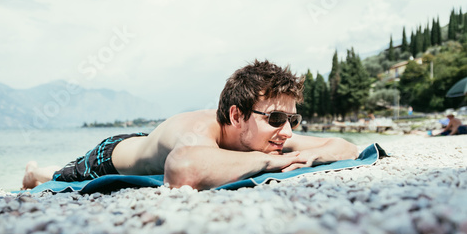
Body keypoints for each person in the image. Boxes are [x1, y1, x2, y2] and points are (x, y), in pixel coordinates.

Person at [23, 60, 359, 191]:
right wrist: (277, 160)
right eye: (275, 119)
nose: (286, 132)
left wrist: (310, 157)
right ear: (237, 115)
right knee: (59, 176)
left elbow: (345, 147)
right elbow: (182, 169)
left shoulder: (266, 134)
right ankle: (35, 172)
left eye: (292, 120)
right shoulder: (200, 132)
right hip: (111, 155)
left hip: (156, 141)